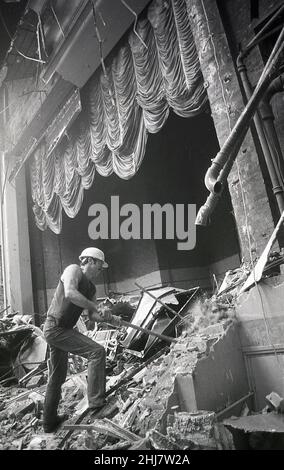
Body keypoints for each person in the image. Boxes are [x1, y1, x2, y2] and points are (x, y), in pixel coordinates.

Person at [42, 247, 121, 433]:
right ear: (91, 261)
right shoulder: (73, 270)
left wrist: (109, 317)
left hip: (63, 330)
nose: (101, 271)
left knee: (57, 377)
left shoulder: (91, 288)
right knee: (97, 352)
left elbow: (93, 316)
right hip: (55, 327)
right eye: (100, 266)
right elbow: (69, 292)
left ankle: (49, 422)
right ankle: (96, 405)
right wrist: (95, 305)